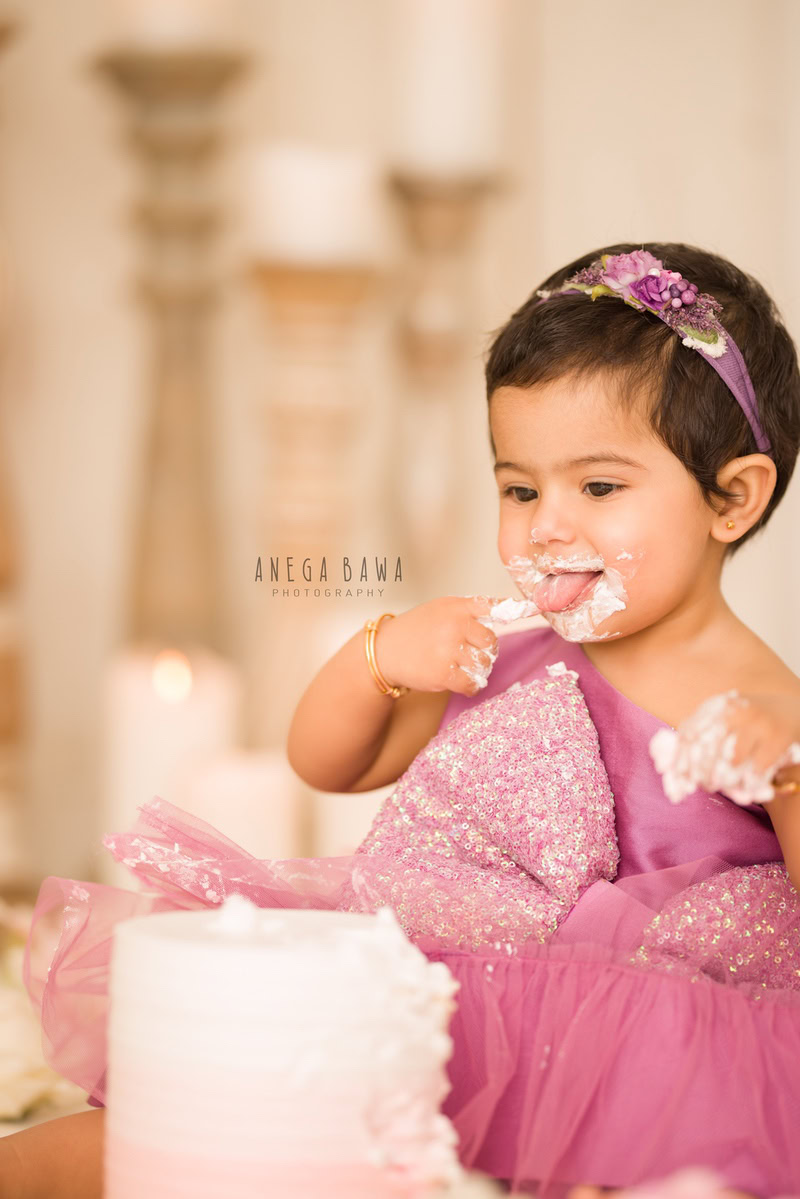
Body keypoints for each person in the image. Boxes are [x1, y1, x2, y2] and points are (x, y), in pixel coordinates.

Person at [5, 242, 800, 1199]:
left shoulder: (773, 709)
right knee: (173, 1143)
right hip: (422, 1006)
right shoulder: (504, 649)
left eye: (597, 487)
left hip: (645, 1071)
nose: (547, 525)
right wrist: (381, 656)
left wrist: (788, 768)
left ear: (733, 497)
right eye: (519, 488)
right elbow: (327, 762)